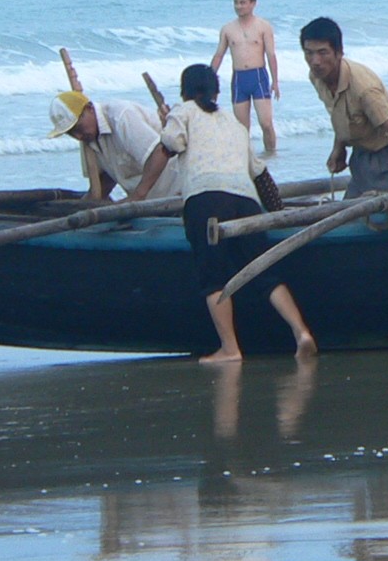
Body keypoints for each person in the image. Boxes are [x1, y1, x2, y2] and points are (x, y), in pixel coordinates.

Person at [132, 64, 315, 363]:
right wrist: (278, 214)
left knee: (213, 276)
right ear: (216, 92)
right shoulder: (233, 122)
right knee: (263, 271)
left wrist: (140, 192)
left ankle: (230, 349)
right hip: (246, 201)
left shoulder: (183, 111)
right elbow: (260, 174)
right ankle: (301, 332)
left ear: (184, 92)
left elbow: (169, 146)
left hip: (206, 200)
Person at [300, 16, 388, 196]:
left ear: (339, 52)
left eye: (323, 52)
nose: (315, 61)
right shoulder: (317, 77)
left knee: (384, 210)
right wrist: (339, 148)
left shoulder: (363, 88)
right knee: (349, 208)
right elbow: (340, 110)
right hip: (360, 156)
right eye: (309, 53)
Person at [48, 89, 179, 202]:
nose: (78, 136)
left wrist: (137, 196)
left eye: (78, 128)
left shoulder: (121, 116)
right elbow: (107, 178)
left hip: (176, 192)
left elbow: (160, 152)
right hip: (150, 204)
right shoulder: (88, 139)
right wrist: (85, 204)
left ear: (89, 108)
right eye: (70, 133)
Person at [210, 0, 280, 155]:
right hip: (239, 80)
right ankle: (246, 159)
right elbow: (219, 55)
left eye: (243, 2)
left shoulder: (263, 26)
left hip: (258, 77)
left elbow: (271, 54)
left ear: (253, 3)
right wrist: (210, 79)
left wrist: (275, 81)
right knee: (242, 128)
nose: (239, 6)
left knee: (266, 123)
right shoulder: (227, 29)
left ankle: (271, 156)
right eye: (236, 2)